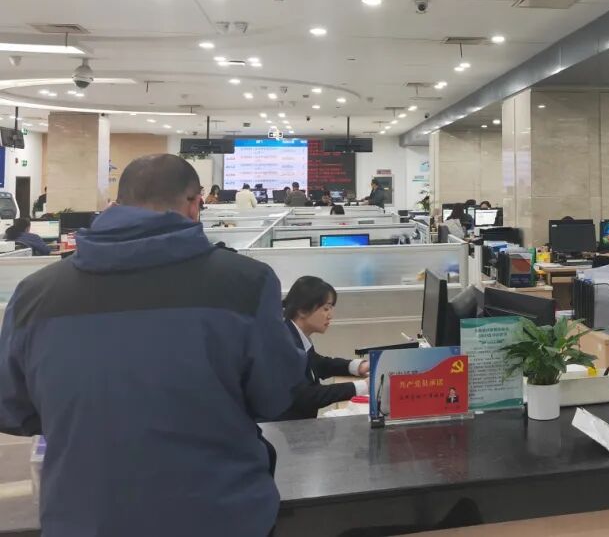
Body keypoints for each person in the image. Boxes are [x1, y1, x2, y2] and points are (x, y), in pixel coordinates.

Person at [0, 154, 304, 537]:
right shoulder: (247, 283)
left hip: (84, 519)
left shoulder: (34, 294)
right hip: (219, 515)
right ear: (194, 204)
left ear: (117, 203)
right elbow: (277, 396)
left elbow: (11, 408)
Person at [278, 276, 369, 420]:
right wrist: (362, 386)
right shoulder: (284, 344)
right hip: (286, 427)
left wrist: (359, 366)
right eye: (326, 308)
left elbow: (318, 363)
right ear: (302, 310)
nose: (330, 315)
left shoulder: (293, 334)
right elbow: (307, 396)